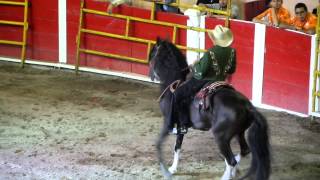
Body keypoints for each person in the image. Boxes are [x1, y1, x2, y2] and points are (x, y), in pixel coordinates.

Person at [170, 25, 236, 134]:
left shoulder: (210, 52)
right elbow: (231, 70)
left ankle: (180, 125)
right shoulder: (232, 52)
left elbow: (200, 73)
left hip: (204, 80)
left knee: (177, 94)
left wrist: (195, 65)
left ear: (215, 39)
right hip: (221, 81)